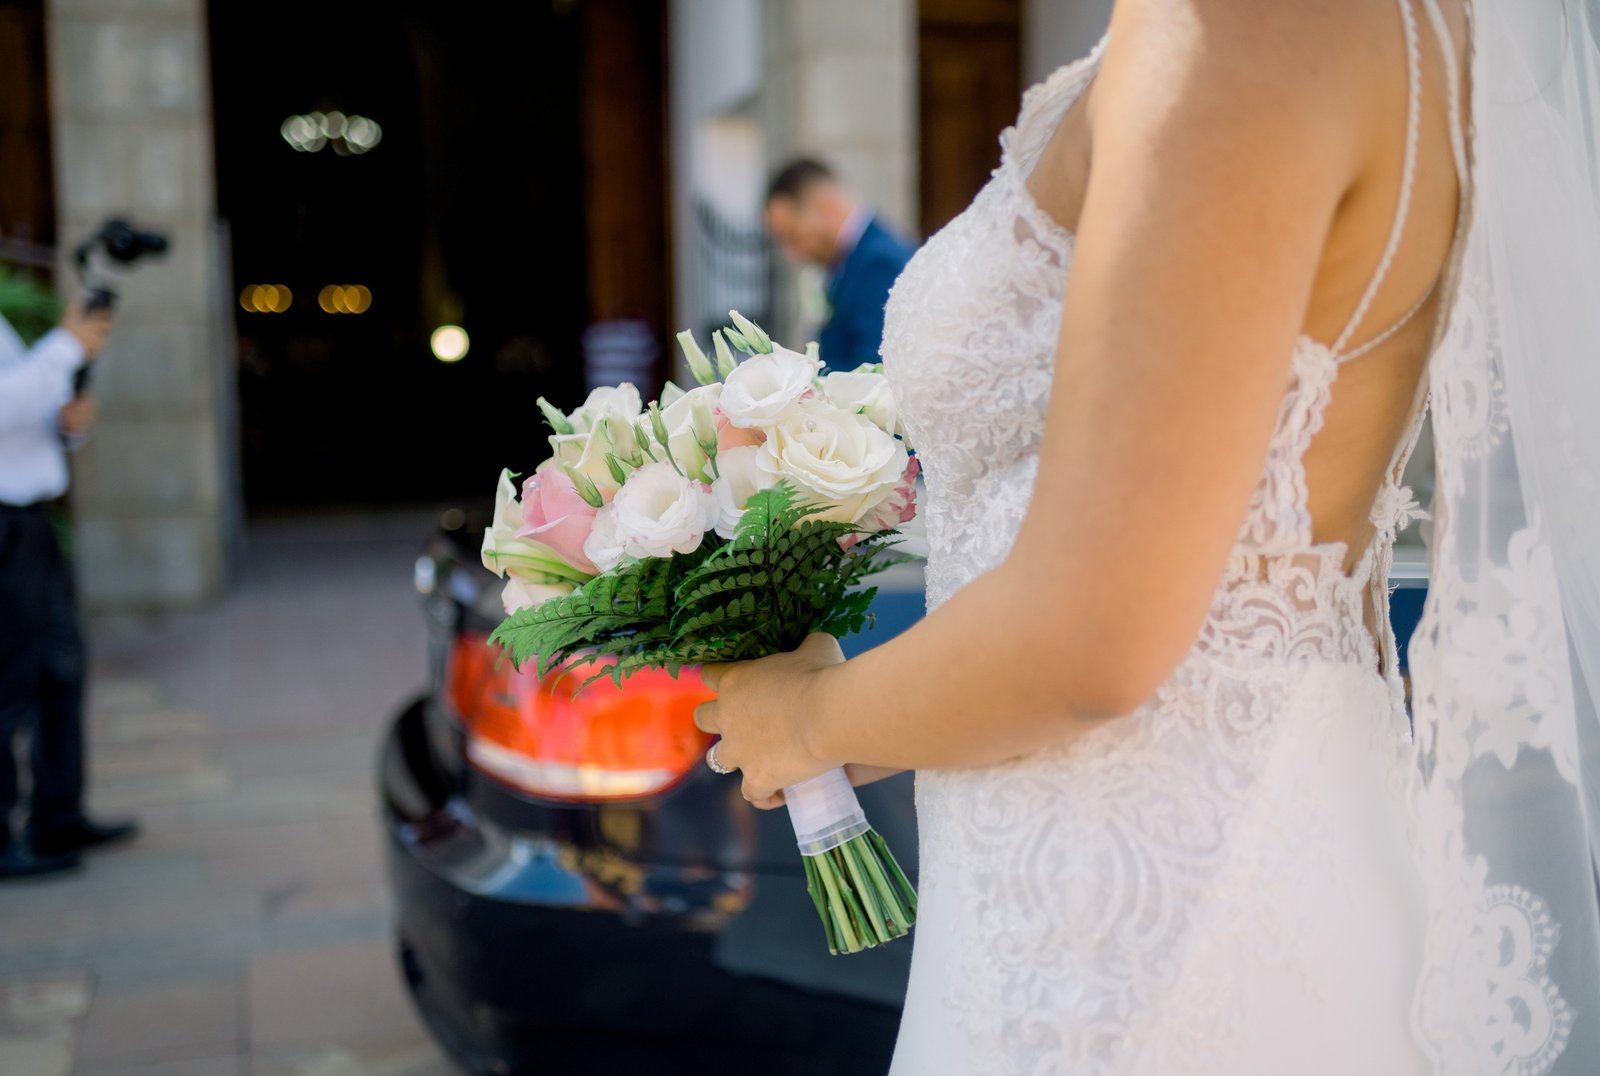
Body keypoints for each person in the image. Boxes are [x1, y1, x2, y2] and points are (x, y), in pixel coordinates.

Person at [693, 0, 1600, 1072]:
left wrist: (803, 719)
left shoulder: (1241, 29)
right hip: (1243, 826)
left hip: (1136, 918)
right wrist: (858, 719)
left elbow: (1093, 636)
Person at [0, 296, 138, 879]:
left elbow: (21, 411)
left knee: (61, 667)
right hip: (5, 525)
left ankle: (57, 814)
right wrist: (65, 346)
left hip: (28, 520)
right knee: (7, 684)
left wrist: (64, 423)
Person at [763, 159, 915, 372]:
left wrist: (799, 380)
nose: (792, 254)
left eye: (792, 236)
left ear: (825, 207)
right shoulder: (851, 259)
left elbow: (872, 368)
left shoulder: (879, 263)